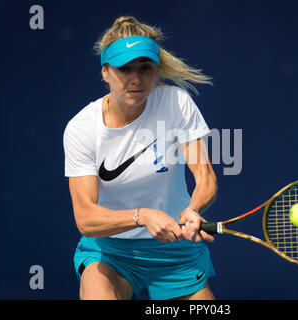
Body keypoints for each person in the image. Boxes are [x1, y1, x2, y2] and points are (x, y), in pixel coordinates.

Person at [63, 16, 218, 300]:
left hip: (175, 249)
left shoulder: (176, 103)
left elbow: (205, 177)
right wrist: (142, 216)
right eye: (124, 69)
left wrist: (193, 209)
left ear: (155, 70)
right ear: (105, 73)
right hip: (111, 252)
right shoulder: (81, 128)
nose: (136, 79)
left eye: (145, 68)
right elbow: (85, 217)